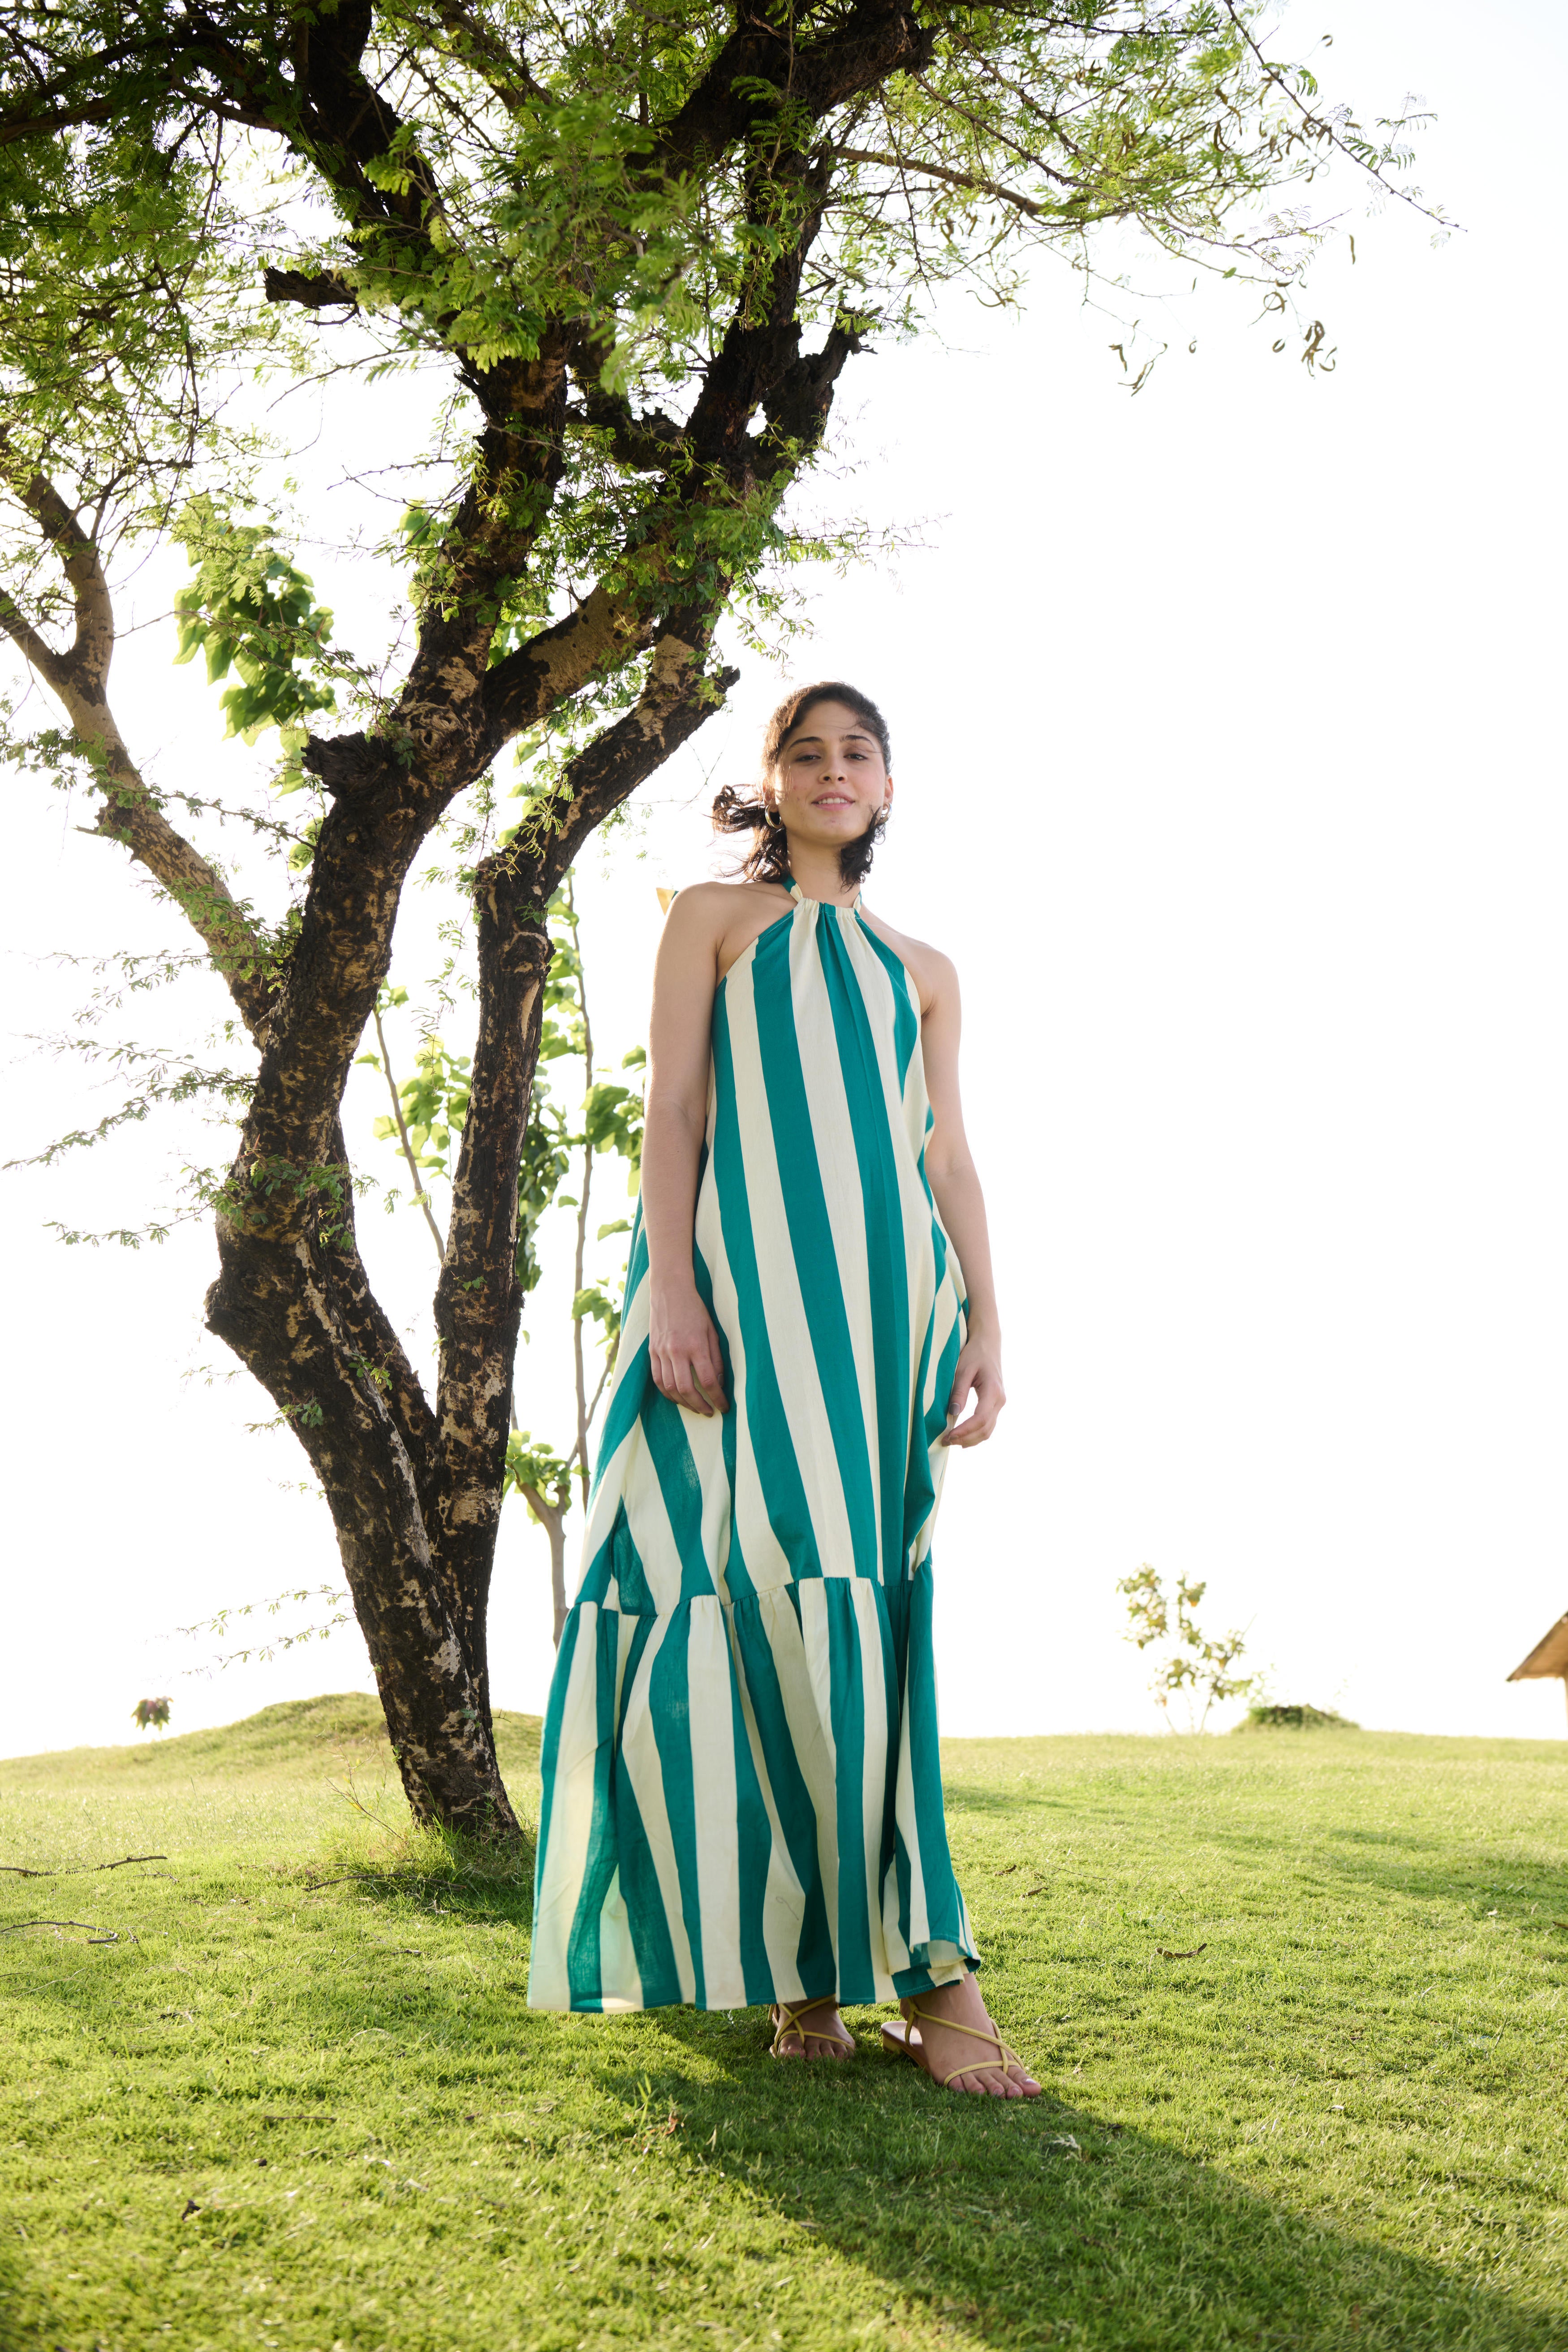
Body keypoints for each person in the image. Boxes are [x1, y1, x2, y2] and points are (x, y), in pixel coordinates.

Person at [528, 682, 1039, 2097]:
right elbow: (675, 1112)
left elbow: (948, 1160)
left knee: (861, 1605)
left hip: (885, 1318)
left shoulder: (922, 967)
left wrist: (988, 1325)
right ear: (771, 782)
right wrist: (672, 1292)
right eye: (803, 752)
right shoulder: (712, 919)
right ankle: (815, 1968)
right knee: (745, 1589)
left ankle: (899, 1973)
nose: (831, 769)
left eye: (855, 752)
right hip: (745, 1302)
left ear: (886, 786)